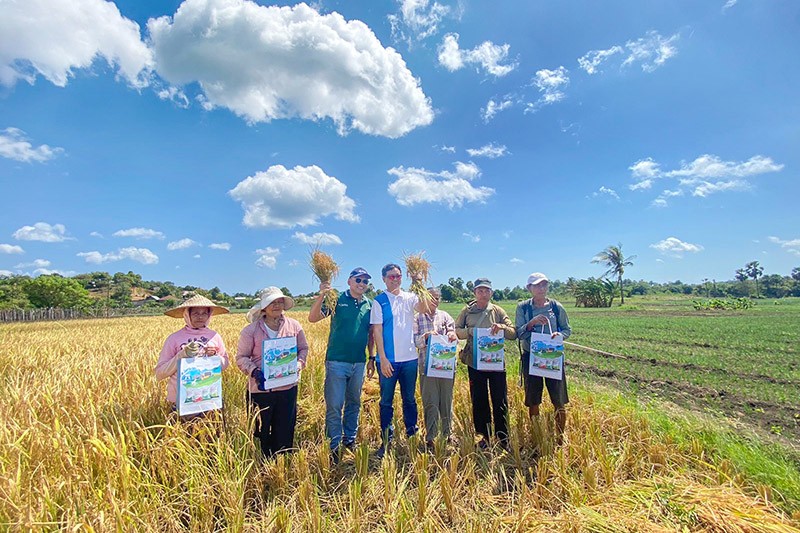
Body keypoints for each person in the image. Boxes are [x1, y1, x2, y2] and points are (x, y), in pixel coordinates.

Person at [308, 267, 375, 463]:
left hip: (359, 362)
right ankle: (334, 446)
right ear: (349, 281)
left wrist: (372, 357)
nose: (361, 284)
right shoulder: (336, 300)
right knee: (335, 405)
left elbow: (371, 335)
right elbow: (313, 318)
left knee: (354, 402)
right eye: (358, 280)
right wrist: (322, 295)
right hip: (337, 361)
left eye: (365, 281)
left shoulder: (369, 305)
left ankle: (349, 440)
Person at [237, 287, 309, 458]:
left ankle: (281, 465)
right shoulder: (251, 330)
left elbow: (303, 348)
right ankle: (262, 465)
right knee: (261, 430)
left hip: (287, 388)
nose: (277, 305)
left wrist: (299, 364)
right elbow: (241, 357)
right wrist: (254, 372)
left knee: (285, 428)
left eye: (279, 302)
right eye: (272, 302)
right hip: (261, 389)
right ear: (263, 307)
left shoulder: (294, 326)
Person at [371, 263, 429, 458]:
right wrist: (383, 359)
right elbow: (377, 331)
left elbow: (425, 307)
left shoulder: (411, 297)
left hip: (410, 359)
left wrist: (419, 283)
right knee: (386, 401)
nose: (395, 279)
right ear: (384, 279)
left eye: (398, 276)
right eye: (391, 277)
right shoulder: (379, 301)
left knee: (410, 399)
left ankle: (412, 435)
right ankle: (386, 440)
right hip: (388, 361)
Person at [455, 278, 516, 449]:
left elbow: (513, 333)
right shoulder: (467, 311)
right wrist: (471, 331)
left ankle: (503, 438)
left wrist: (502, 328)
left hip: (496, 363)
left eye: (486, 290)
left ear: (491, 293)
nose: (483, 293)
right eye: (480, 290)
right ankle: (483, 436)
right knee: (479, 399)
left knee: (500, 399)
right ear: (474, 292)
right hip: (475, 363)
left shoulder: (497, 311)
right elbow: (456, 332)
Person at [515, 272, 572, 443]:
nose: (541, 288)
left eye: (544, 284)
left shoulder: (556, 307)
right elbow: (519, 333)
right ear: (529, 288)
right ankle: (536, 435)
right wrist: (531, 323)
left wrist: (559, 335)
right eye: (537, 285)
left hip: (553, 359)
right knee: (533, 399)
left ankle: (560, 437)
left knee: (558, 399)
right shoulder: (523, 308)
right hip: (531, 358)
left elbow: (567, 330)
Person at [154, 294, 230, 419]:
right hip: (181, 400)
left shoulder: (214, 336)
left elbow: (225, 363)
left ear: (209, 315)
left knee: (211, 437)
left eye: (204, 313)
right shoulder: (174, 338)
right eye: (195, 313)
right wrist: (181, 355)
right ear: (187, 315)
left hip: (209, 399)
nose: (200, 317)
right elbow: (159, 373)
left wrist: (215, 357)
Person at [413, 286, 457, 450]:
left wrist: (453, 335)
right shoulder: (417, 318)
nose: (434, 301)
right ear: (423, 299)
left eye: (437, 298)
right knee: (430, 401)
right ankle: (431, 437)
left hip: (446, 367)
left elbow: (453, 333)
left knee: (446, 401)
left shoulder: (445, 316)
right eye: (431, 298)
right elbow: (414, 342)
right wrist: (425, 336)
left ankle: (448, 435)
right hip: (426, 366)